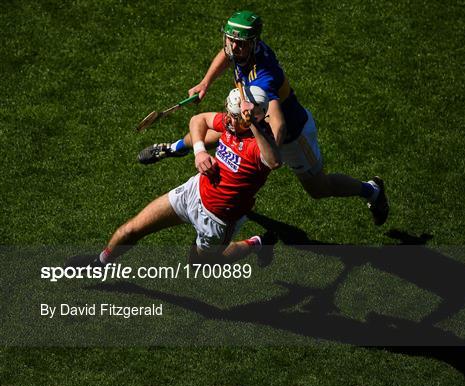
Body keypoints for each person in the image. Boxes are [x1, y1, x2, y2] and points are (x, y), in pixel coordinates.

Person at [137, 10, 389, 226]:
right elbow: (227, 54)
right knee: (208, 132)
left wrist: (265, 148)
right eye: (231, 40)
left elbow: (278, 125)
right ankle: (173, 149)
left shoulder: (264, 79)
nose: (234, 47)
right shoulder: (241, 49)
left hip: (292, 136)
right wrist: (205, 83)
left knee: (319, 189)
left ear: (253, 43)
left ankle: (372, 191)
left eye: (240, 43)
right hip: (252, 121)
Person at [69, 86, 280, 268]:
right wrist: (199, 151)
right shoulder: (230, 124)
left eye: (233, 116)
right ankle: (99, 263)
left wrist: (251, 123)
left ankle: (257, 243)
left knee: (199, 264)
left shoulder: (260, 145)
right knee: (132, 229)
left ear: (251, 118)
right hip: (192, 192)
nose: (226, 118)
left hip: (217, 221)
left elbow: (273, 162)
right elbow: (199, 119)